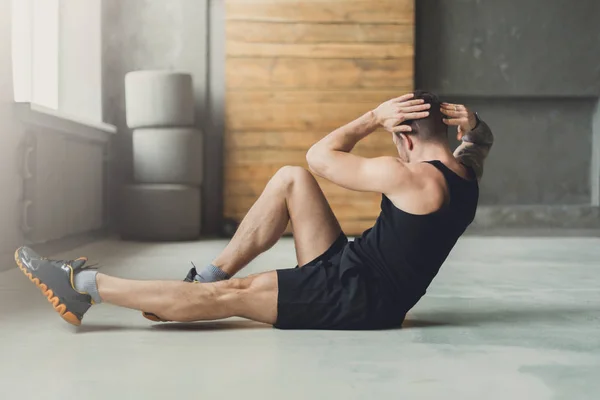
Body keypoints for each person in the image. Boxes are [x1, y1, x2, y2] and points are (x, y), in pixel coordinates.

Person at [15, 91, 494, 329]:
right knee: (291, 180)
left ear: (404, 136)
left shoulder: (405, 175)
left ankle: (83, 288)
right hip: (355, 269)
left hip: (356, 300)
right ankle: (205, 276)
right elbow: (480, 141)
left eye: (396, 137)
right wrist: (475, 125)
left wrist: (371, 117)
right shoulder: (465, 173)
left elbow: (320, 155)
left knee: (235, 295)